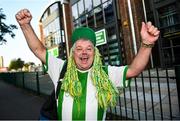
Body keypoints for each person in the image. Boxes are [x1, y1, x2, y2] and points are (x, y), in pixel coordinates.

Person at [15, 9, 160, 120]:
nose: (84, 53)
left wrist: (147, 44)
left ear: (95, 53)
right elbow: (38, 50)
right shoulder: (60, 68)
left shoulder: (106, 73)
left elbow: (134, 70)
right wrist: (25, 25)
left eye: (89, 48)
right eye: (79, 49)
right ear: (72, 53)